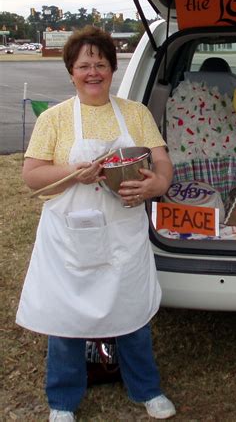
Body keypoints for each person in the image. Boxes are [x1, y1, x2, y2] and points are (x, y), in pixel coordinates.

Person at [16, 26, 175, 421]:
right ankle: (63, 400)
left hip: (123, 229)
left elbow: (162, 164)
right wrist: (73, 172)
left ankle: (147, 389)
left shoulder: (135, 114)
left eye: (100, 64)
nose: (93, 72)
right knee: (65, 316)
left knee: (131, 311)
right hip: (70, 236)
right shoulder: (54, 120)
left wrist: (155, 184)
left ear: (112, 68)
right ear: (71, 71)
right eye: (84, 64)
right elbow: (32, 175)